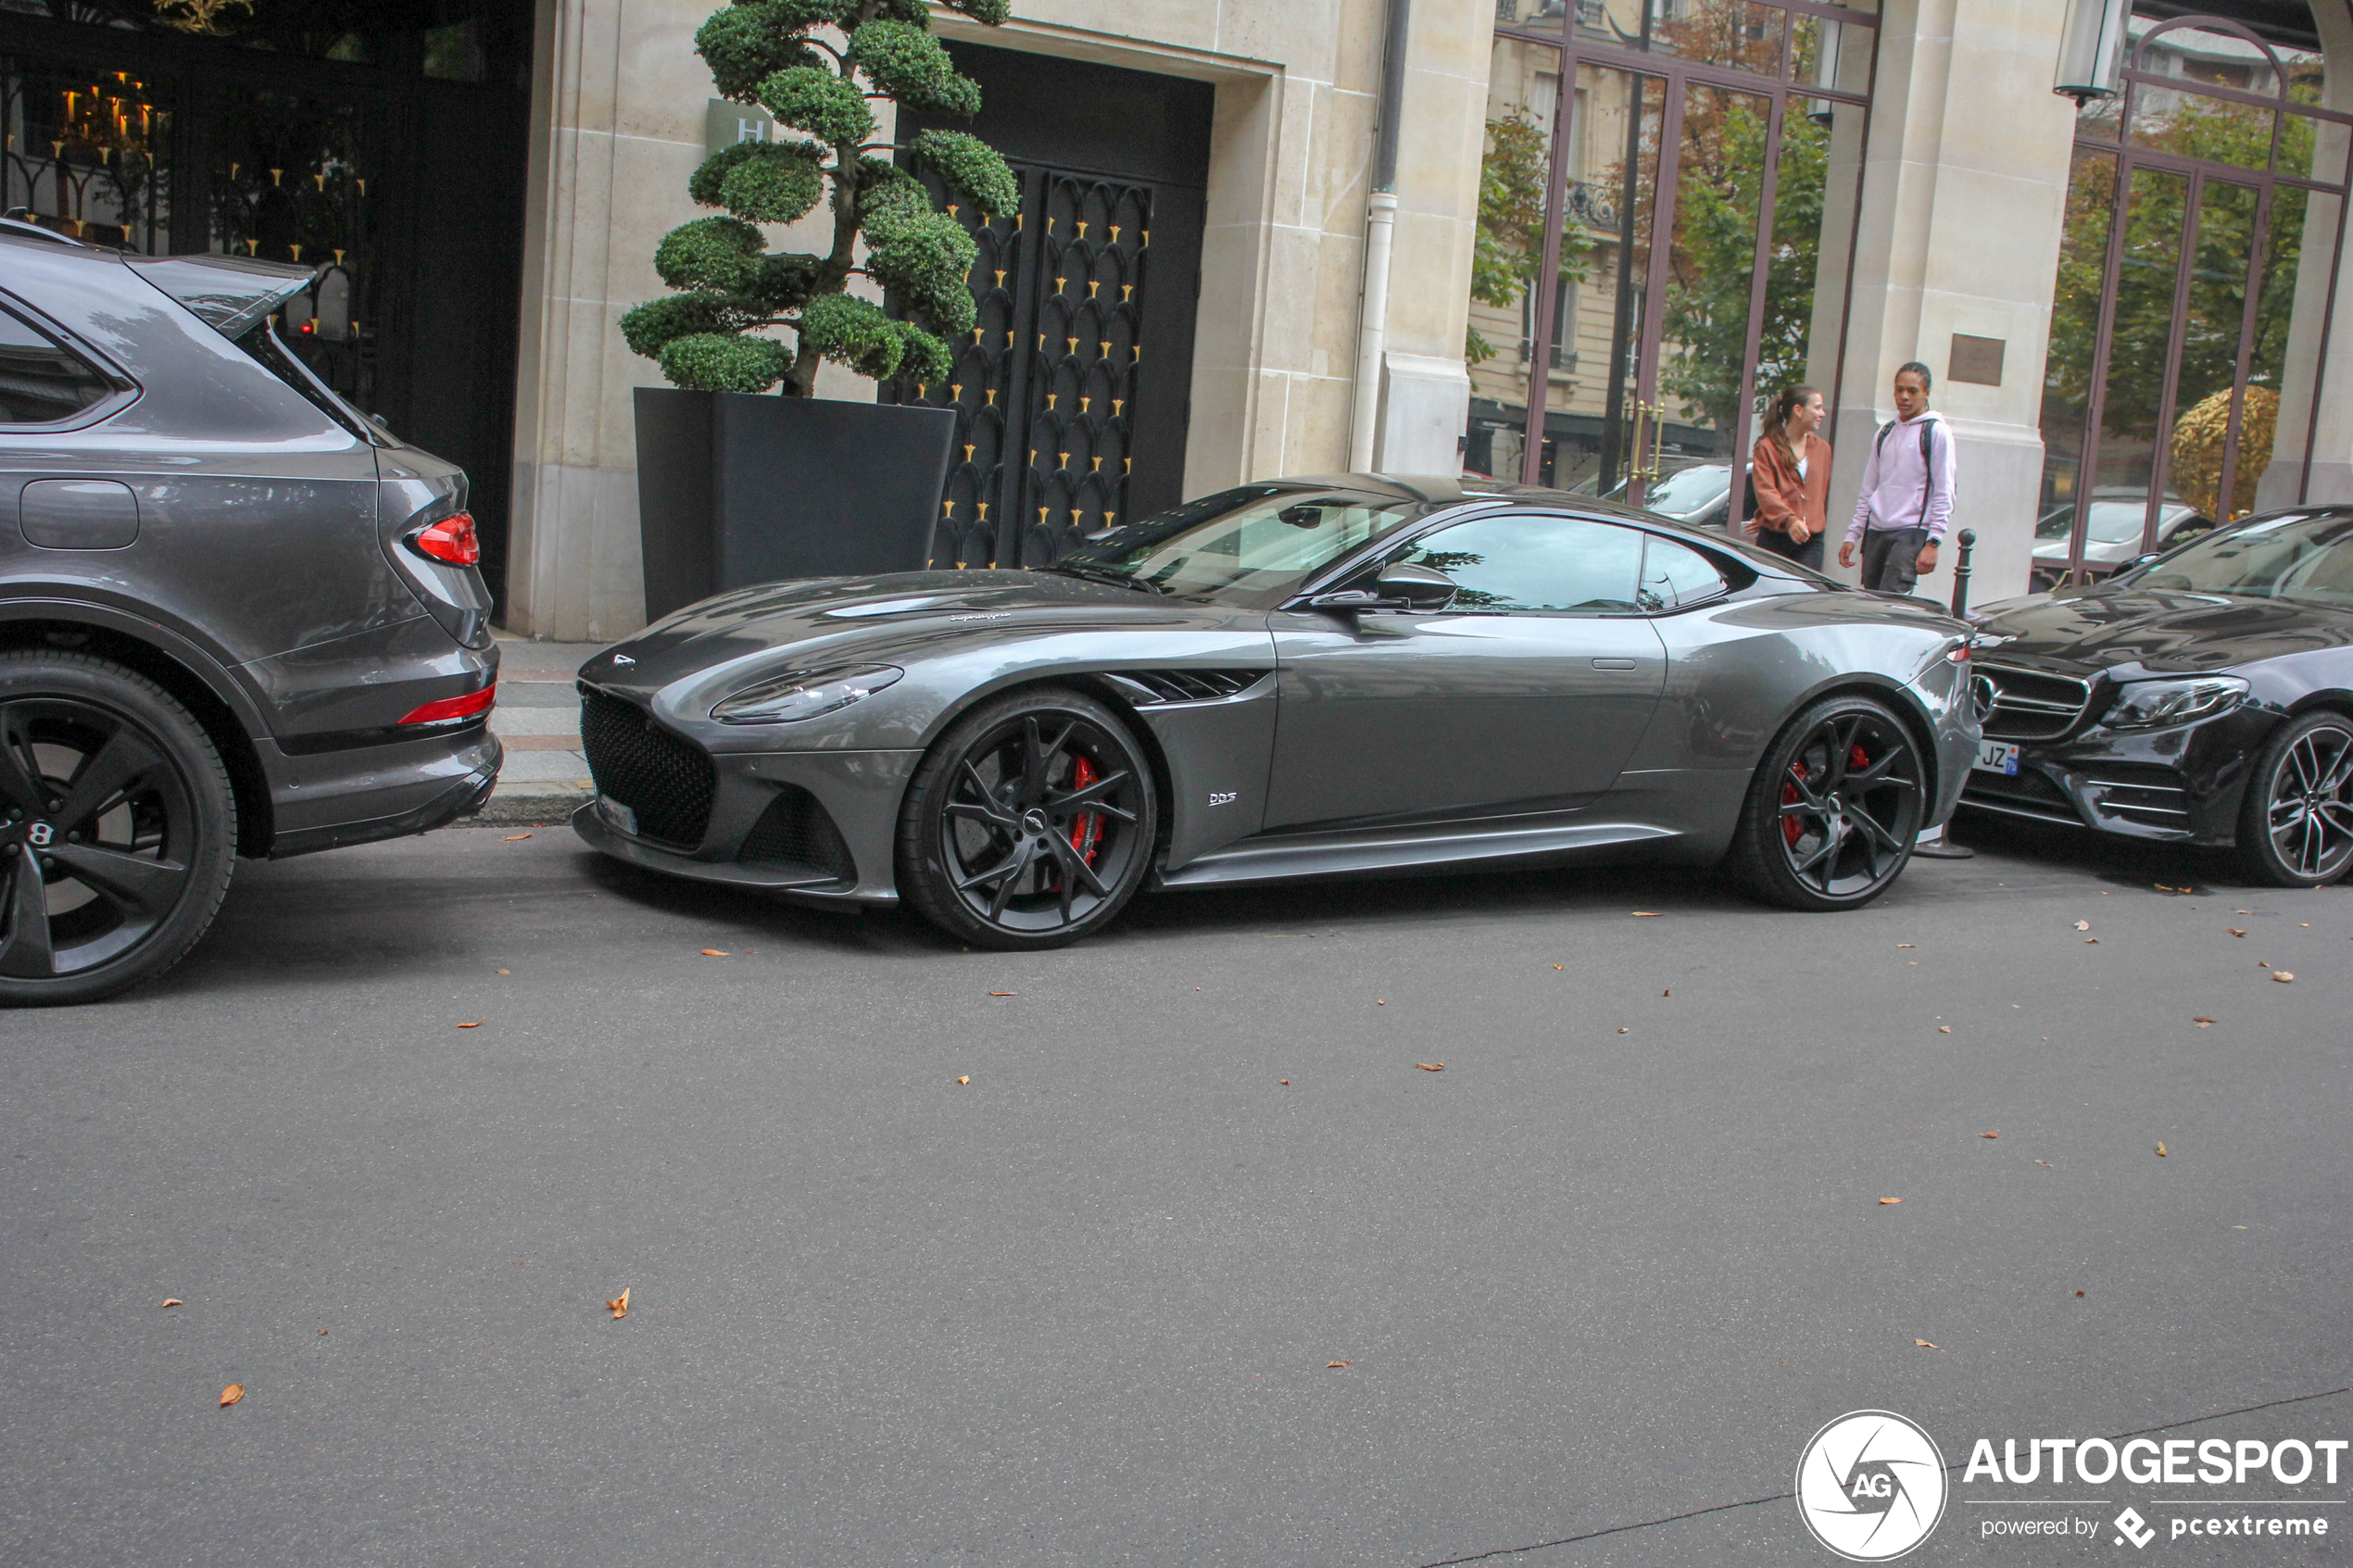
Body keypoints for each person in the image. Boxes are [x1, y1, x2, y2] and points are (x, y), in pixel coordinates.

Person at [1837, 362, 1956, 595]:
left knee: (1892, 604)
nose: (1904, 397)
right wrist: (1854, 533)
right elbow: (1869, 488)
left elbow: (1945, 490)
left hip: (1910, 532)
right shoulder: (1884, 433)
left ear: (1926, 393)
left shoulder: (1936, 432)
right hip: (1876, 531)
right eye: (1899, 390)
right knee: (1870, 600)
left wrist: (1934, 541)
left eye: (1912, 391)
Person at [1747, 383, 1831, 569]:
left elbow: (1820, 494)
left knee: (1807, 592)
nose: (1822, 413)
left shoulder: (1823, 449)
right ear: (1798, 410)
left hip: (1812, 539)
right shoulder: (1767, 448)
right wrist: (1788, 519)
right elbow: (1766, 492)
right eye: (1817, 407)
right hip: (1776, 538)